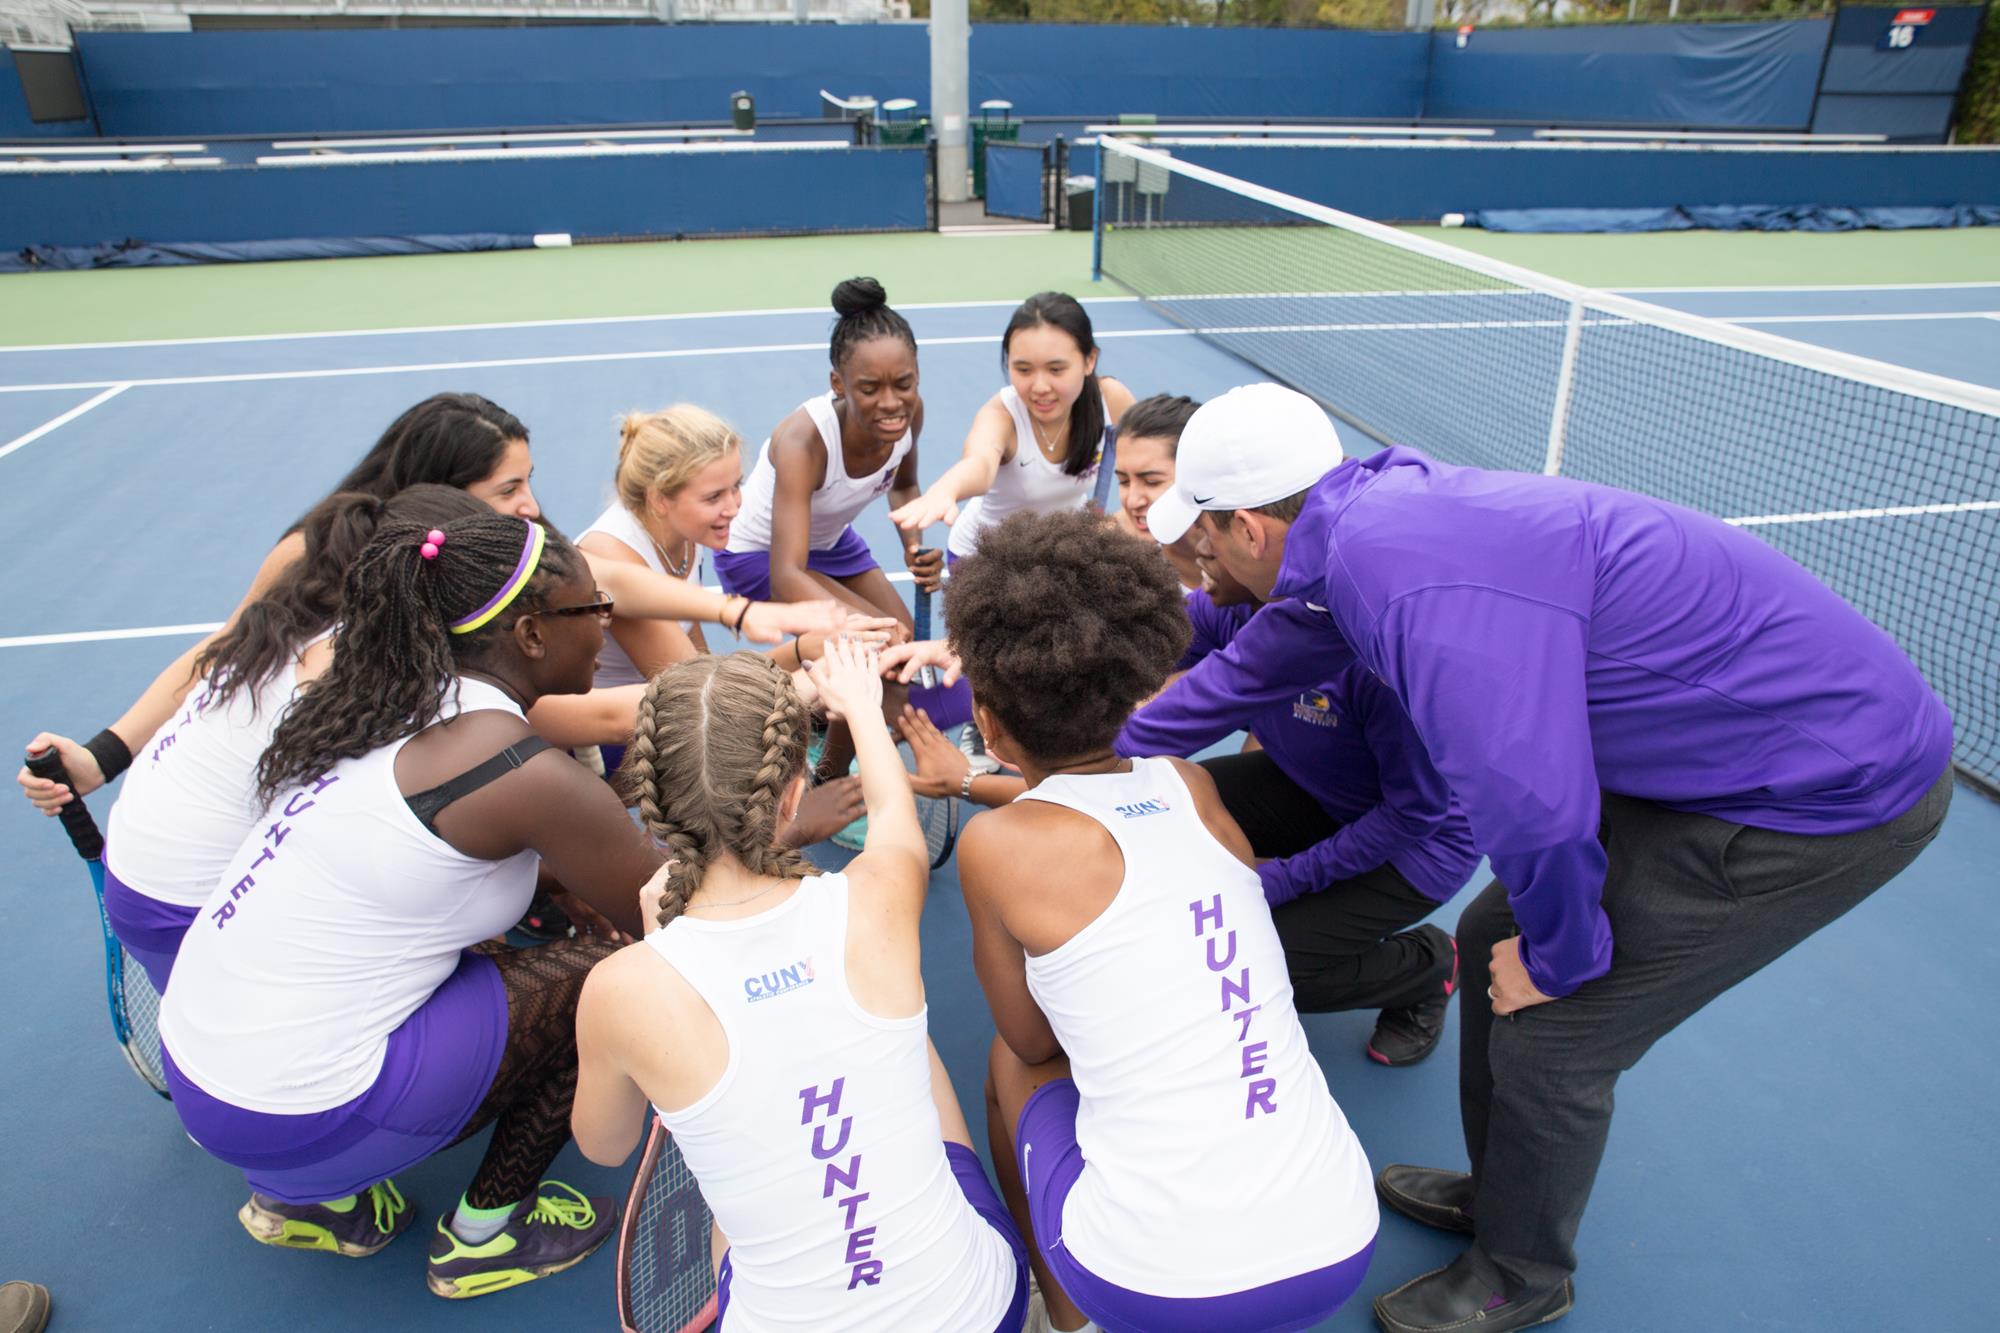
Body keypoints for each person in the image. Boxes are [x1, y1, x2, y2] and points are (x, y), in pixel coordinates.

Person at [1139, 382, 1955, 1333]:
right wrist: (1087, 735)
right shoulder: (1357, 529)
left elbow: (1534, 803)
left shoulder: (1413, 587)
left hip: (1827, 789)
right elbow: (1256, 665)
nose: (1195, 557)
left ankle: (1522, 1270)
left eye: (1198, 536)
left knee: (1559, 1026)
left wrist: (1563, 961)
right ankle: (1502, 1192)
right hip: (1726, 755)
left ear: (1246, 526)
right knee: (1494, 927)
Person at [158, 512, 663, 1299]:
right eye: (593, 609)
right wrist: (787, 818)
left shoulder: (385, 707)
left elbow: (430, 872)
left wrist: (568, 877)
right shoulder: (518, 769)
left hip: (205, 1080)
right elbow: (675, 917)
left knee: (513, 938)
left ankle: (310, 1200)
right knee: (610, 977)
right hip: (297, 1112)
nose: (606, 626)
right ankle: (484, 1236)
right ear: (530, 633)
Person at [19, 391, 843, 819]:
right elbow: (223, 652)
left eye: (529, 480)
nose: (530, 504)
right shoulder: (323, 558)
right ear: (439, 496)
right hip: (320, 778)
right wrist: (106, 753)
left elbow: (603, 582)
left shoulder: (488, 553)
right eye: (508, 487)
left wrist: (740, 615)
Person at [951, 510, 1379, 1333]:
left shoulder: (996, 844)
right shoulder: (1193, 784)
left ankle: (1067, 1318)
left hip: (1149, 1283)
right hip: (1339, 1245)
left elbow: (1037, 1043)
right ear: (1137, 682)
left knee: (1011, 1064)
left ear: (990, 721)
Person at [572, 644, 1028, 1331]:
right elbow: (892, 809)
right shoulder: (877, 898)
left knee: (730, 1217)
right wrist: (860, 707)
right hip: (978, 1308)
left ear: (651, 800)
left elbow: (604, 1145)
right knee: (901, 1017)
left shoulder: (620, 987)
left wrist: (655, 947)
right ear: (793, 794)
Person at [1116, 549, 1478, 1066]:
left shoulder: (1376, 667)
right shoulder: (1226, 603)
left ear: (1248, 536)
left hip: (1419, 843)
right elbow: (1131, 660)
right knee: (1162, 808)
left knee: (1266, 965)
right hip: (1317, 785)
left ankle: (1426, 967)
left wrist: (1288, 876)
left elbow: (1414, 814)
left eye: (1208, 531)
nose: (1195, 549)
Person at [575, 403, 878, 842]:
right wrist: (811, 666)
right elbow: (705, 698)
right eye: (714, 496)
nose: (735, 507)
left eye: (736, 486)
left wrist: (806, 649)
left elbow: (701, 661)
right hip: (612, 746)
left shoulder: (681, 537)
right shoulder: (617, 555)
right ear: (661, 498)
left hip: (649, 717)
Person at [716, 278, 938, 620]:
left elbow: (904, 486)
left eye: (903, 384)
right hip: (760, 557)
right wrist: (866, 629)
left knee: (901, 635)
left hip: (829, 544)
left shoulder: (911, 414)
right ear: (838, 384)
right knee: (882, 645)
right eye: (869, 389)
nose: (892, 402)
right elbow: (786, 576)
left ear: (918, 374)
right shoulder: (803, 443)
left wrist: (913, 546)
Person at [889, 292, 1135, 564]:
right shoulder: (1002, 415)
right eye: (1024, 370)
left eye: (1055, 370)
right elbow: (979, 464)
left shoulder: (1110, 399)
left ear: (1089, 360)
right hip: (989, 561)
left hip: (1062, 552)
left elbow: (1151, 457)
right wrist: (945, 490)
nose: (1040, 387)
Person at [1109, 393, 1205, 592]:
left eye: (1152, 482)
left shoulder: (1251, 558)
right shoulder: (1111, 553)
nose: (1133, 501)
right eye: (1123, 481)